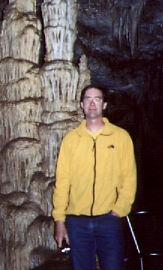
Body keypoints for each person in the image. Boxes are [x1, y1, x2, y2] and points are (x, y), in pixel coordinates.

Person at [52, 84, 137, 270]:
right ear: (81, 105)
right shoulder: (71, 140)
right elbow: (62, 181)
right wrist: (59, 219)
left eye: (97, 99)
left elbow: (129, 178)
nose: (92, 103)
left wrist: (119, 209)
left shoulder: (120, 137)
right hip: (76, 221)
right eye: (88, 99)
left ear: (104, 105)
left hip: (109, 219)